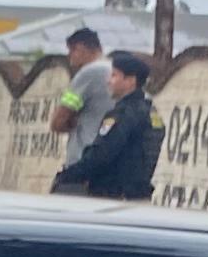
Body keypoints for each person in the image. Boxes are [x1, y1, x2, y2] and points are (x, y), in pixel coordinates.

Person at [51, 49, 158, 201]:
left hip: (110, 196)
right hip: (138, 195)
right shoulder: (151, 112)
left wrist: (68, 176)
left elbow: (101, 155)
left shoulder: (122, 115)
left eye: (114, 75)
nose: (109, 81)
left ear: (130, 81)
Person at [45, 22, 113, 148]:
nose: (69, 55)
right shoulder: (115, 70)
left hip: (84, 154)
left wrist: (71, 120)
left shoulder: (88, 72)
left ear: (82, 48)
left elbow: (58, 121)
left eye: (72, 49)